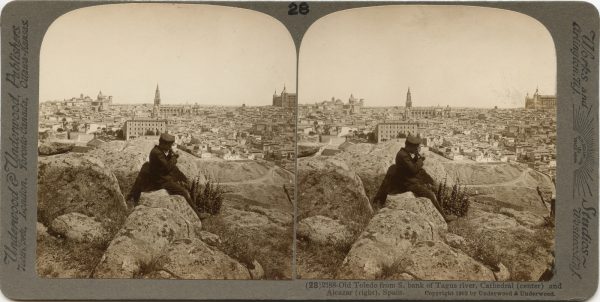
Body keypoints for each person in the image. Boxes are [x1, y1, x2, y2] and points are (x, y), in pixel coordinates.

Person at [373, 135, 450, 221]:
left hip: (408, 180)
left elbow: (410, 165)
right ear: (410, 146)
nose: (416, 149)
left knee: (430, 188)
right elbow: (413, 169)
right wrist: (420, 161)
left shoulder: (404, 153)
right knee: (430, 195)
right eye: (415, 147)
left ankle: (443, 213)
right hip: (408, 183)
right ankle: (444, 218)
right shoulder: (403, 155)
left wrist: (417, 157)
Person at [127, 133, 192, 205]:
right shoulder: (157, 153)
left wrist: (170, 155)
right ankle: (198, 214)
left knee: (183, 182)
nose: (170, 147)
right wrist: (174, 158)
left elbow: (163, 163)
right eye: (169, 145)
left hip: (162, 178)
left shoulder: (158, 150)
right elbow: (168, 167)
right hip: (161, 181)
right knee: (184, 192)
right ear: (164, 144)